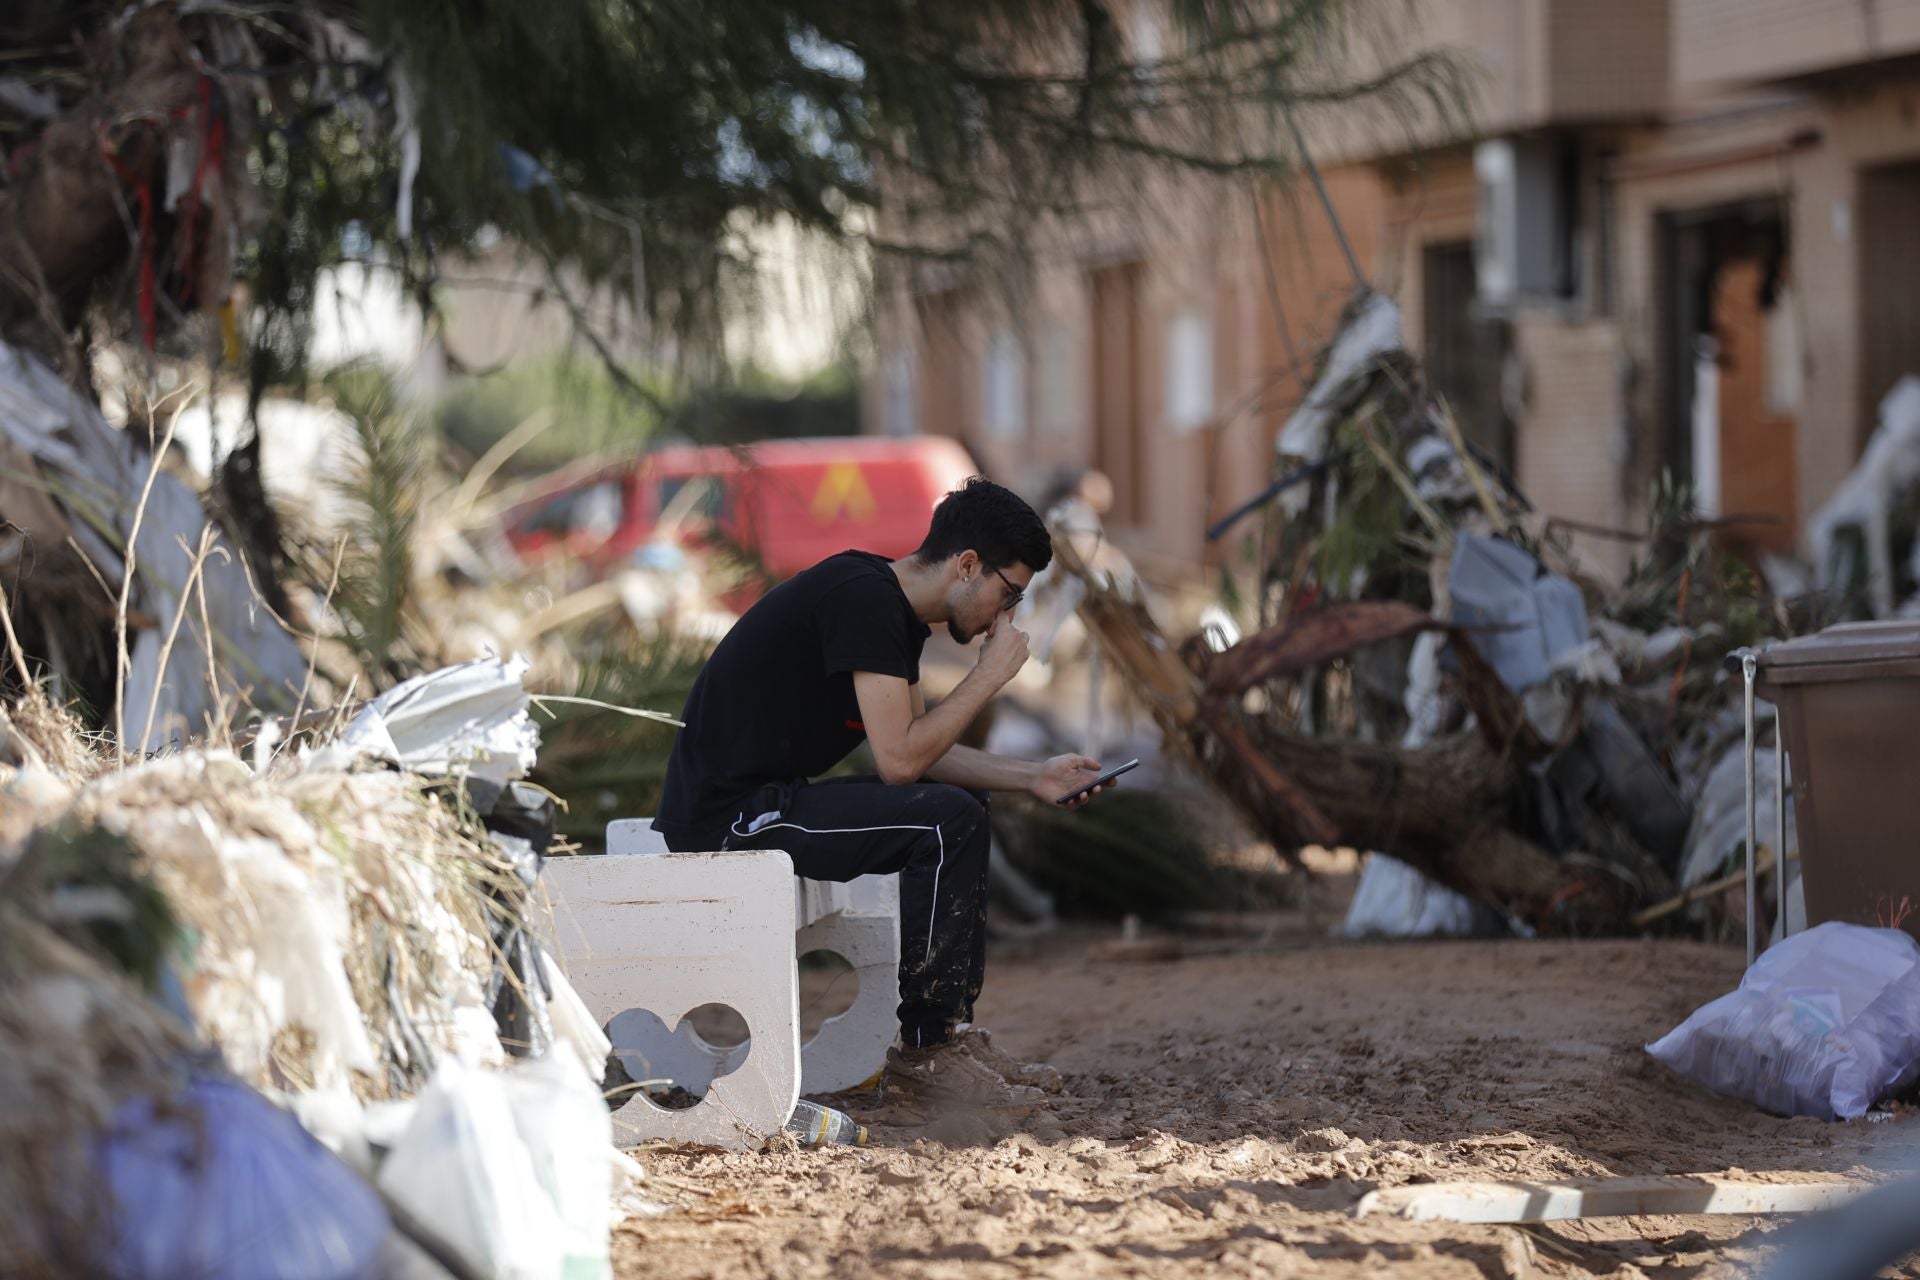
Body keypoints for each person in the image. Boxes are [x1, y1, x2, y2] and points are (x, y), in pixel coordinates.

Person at [654, 476, 1113, 1106]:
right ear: (967, 566)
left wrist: (1031, 776)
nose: (1005, 620)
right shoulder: (863, 599)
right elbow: (900, 763)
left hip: (769, 803)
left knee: (960, 808)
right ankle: (926, 1055)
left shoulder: (887, 609)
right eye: (1008, 596)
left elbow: (923, 749)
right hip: (728, 820)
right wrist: (987, 679)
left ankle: (949, 1033)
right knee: (943, 820)